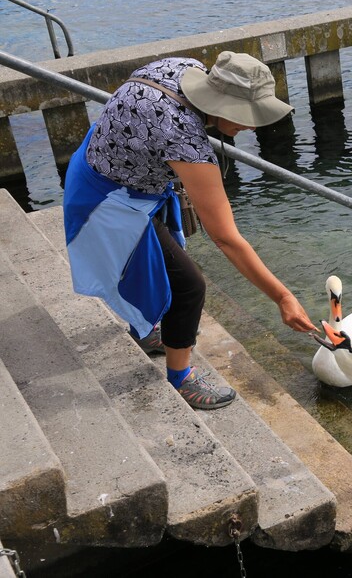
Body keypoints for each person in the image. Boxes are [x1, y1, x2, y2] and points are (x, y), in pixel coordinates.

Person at [63, 51, 317, 410]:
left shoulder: (182, 68)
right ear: (221, 103)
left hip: (103, 164)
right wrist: (283, 297)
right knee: (188, 285)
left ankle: (149, 329)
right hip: (108, 201)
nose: (253, 126)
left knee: (153, 266)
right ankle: (180, 377)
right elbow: (226, 238)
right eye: (247, 116)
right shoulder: (184, 141)